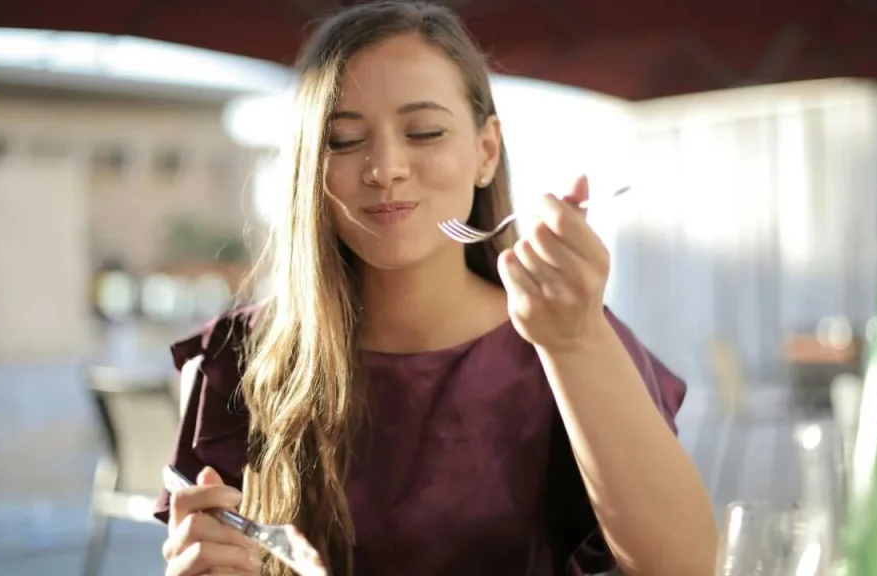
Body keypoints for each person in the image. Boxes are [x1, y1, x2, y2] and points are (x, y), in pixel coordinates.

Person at [155, 2, 718, 575]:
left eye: (424, 131)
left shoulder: (566, 339)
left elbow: (684, 566)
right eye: (345, 140)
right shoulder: (237, 356)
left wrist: (575, 342)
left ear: (486, 152)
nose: (385, 167)